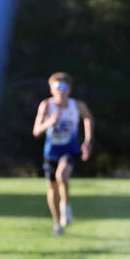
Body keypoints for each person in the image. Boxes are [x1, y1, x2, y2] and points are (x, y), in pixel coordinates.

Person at [32, 73, 93, 235]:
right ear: (51, 90)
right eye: (57, 87)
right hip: (51, 153)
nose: (61, 91)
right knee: (52, 189)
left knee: (62, 175)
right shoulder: (46, 106)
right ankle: (57, 223)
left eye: (64, 87)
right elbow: (36, 131)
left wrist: (87, 141)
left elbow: (88, 118)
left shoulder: (77, 105)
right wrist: (49, 123)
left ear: (70, 89)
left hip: (70, 150)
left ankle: (65, 206)